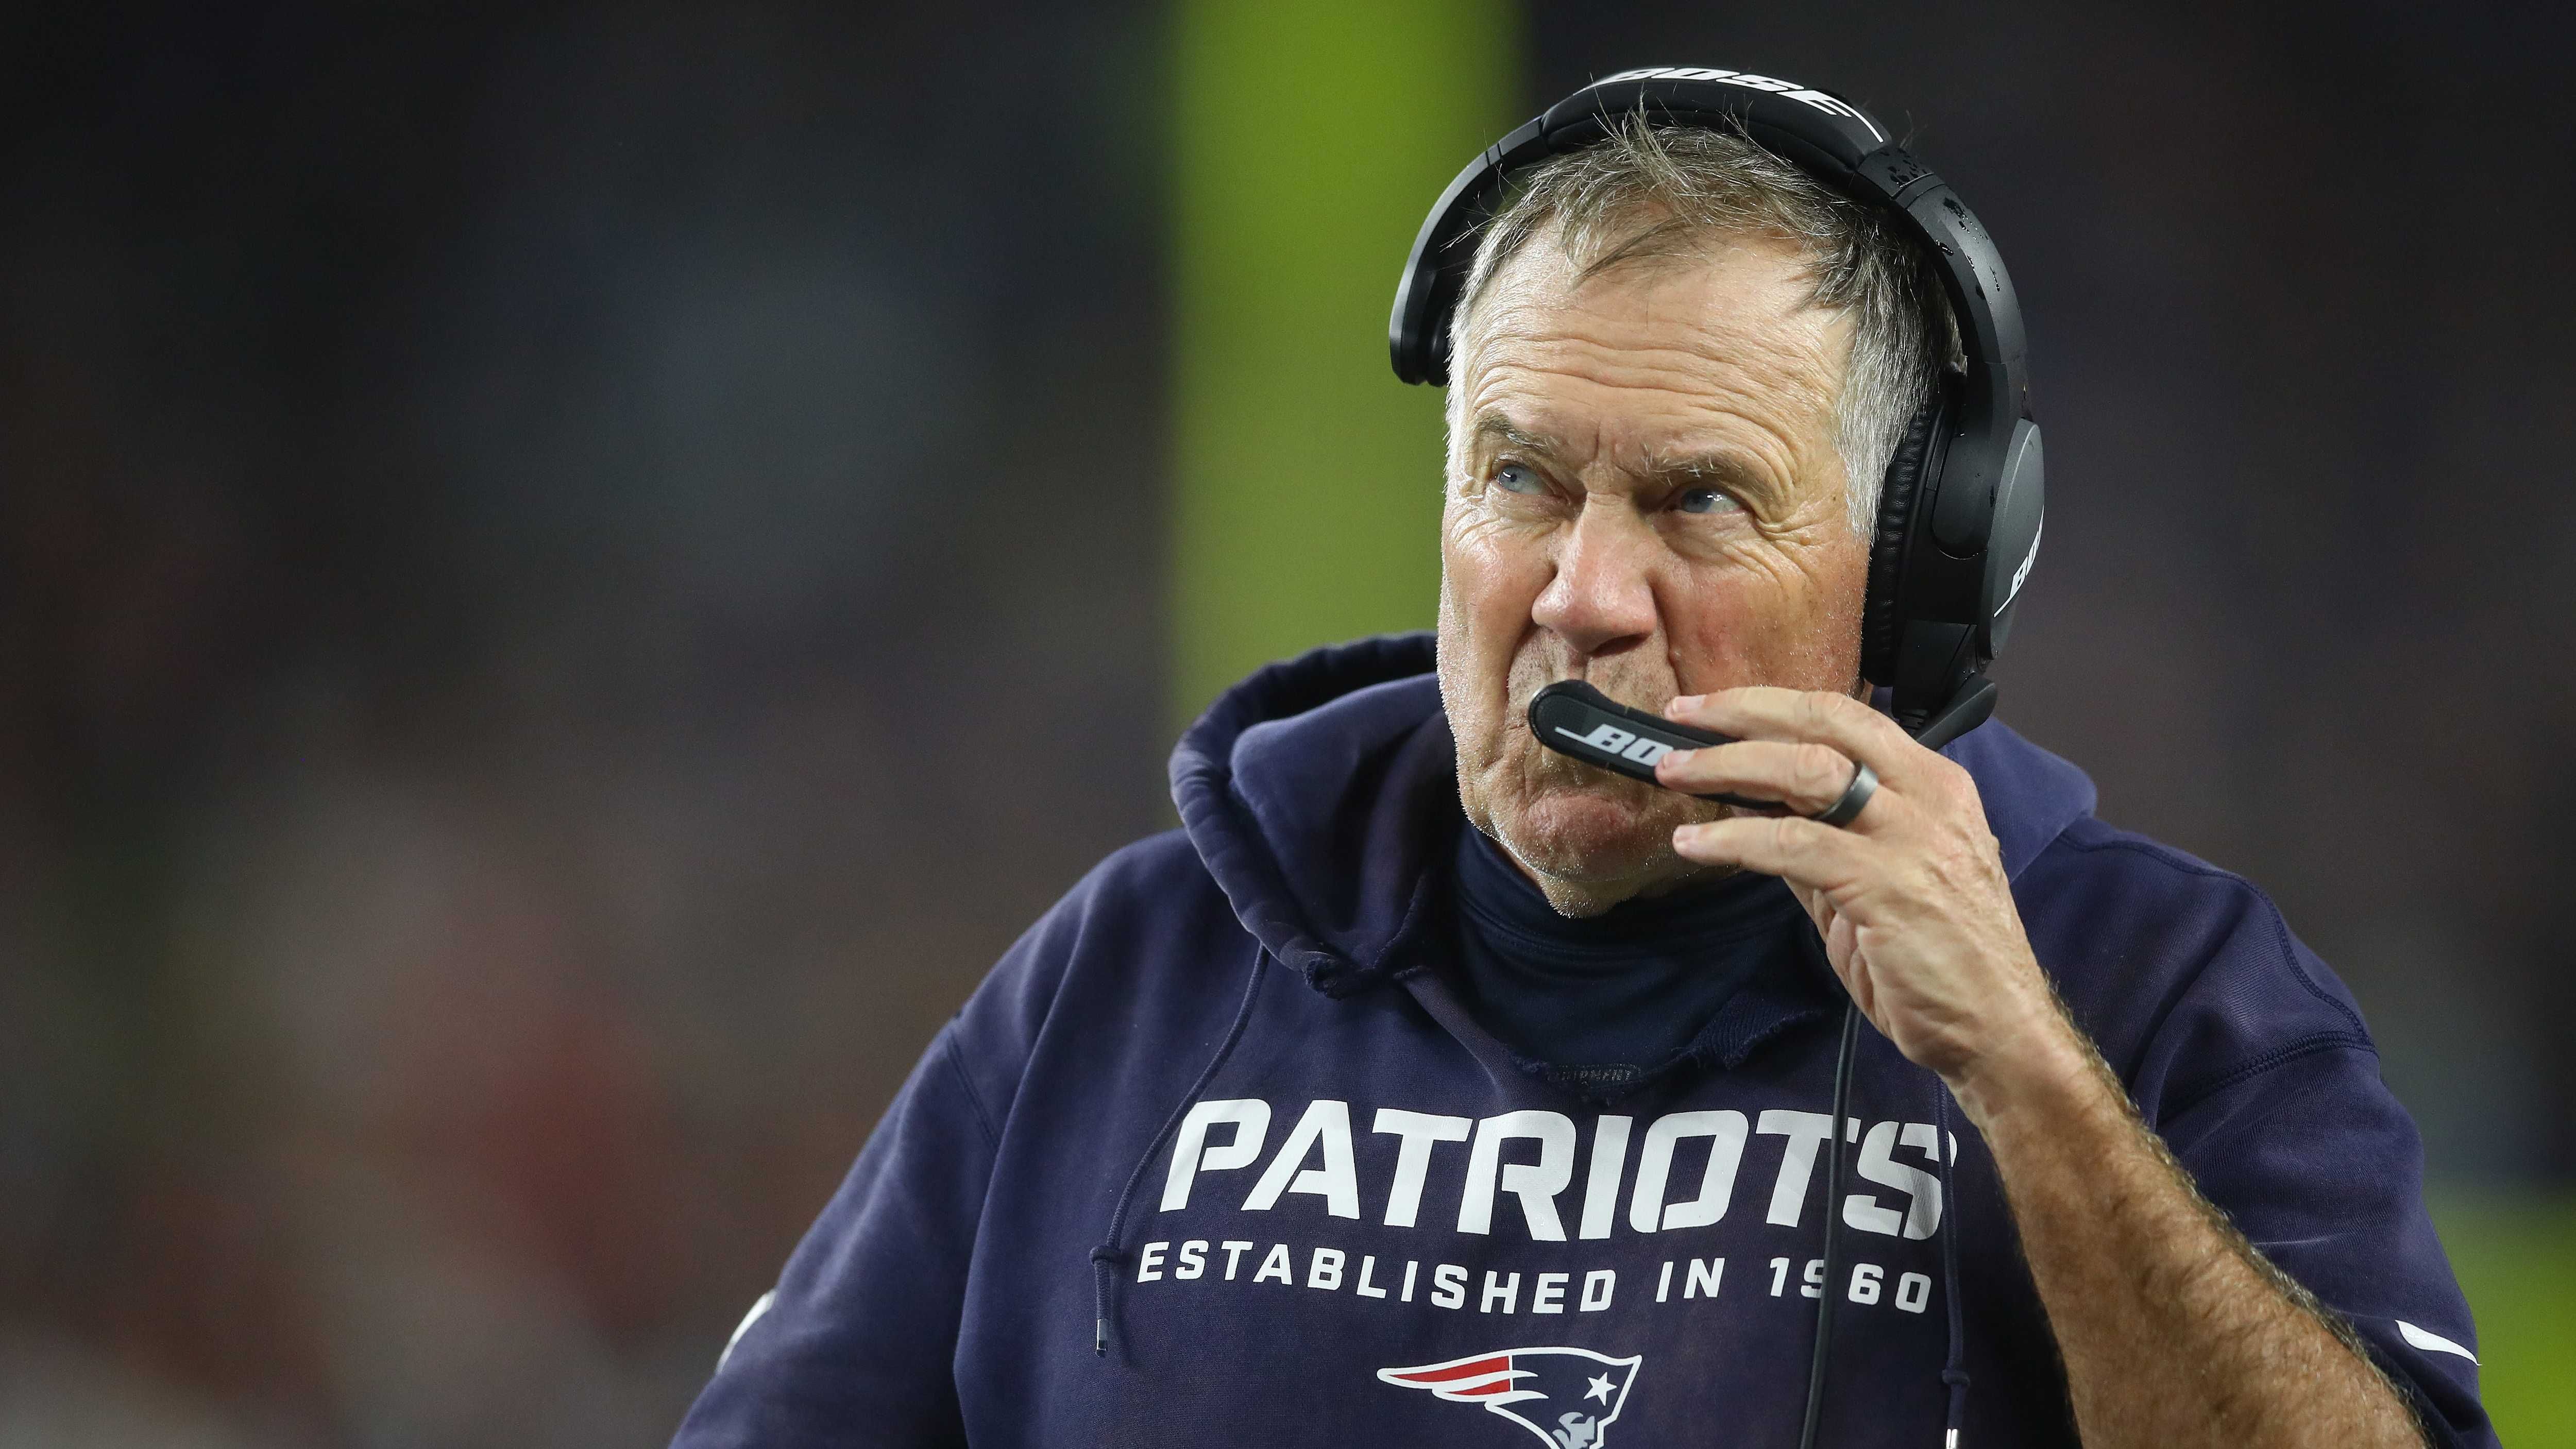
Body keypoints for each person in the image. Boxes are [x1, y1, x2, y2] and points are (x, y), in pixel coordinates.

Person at [670, 72, 2493, 1449]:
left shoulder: (2164, 992)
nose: (1583, 595)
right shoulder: (1126, 978)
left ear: (1919, 574)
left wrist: (2027, 1078)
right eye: (1523, 478)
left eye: (1699, 500)